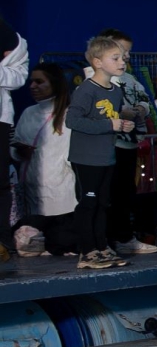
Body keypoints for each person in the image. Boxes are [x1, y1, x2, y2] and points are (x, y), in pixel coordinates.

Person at [65, 37, 134, 269]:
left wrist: (122, 124)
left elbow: (108, 120)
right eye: (115, 58)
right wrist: (110, 126)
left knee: (103, 203)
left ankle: (101, 246)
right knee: (88, 203)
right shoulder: (86, 90)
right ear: (97, 62)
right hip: (86, 158)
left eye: (122, 57)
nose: (122, 61)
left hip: (106, 157)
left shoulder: (114, 90)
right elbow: (72, 120)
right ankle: (87, 251)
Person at [96, 29, 157, 255]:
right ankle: (103, 240)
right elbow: (98, 105)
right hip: (109, 145)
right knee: (108, 193)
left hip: (130, 143)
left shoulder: (130, 79)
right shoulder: (96, 77)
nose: (126, 57)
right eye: (120, 52)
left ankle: (124, 237)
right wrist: (123, 112)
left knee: (125, 191)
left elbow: (144, 100)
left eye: (128, 53)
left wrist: (140, 109)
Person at [13, 64, 76, 244]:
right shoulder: (28, 113)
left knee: (59, 240)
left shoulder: (69, 115)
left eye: (39, 81)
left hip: (61, 191)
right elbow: (15, 142)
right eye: (31, 81)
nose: (33, 86)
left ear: (55, 83)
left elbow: (70, 155)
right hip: (30, 189)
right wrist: (18, 151)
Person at [0, 16, 28, 258]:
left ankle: (3, 240)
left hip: (0, 118)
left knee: (0, 181)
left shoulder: (11, 38)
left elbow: (18, 77)